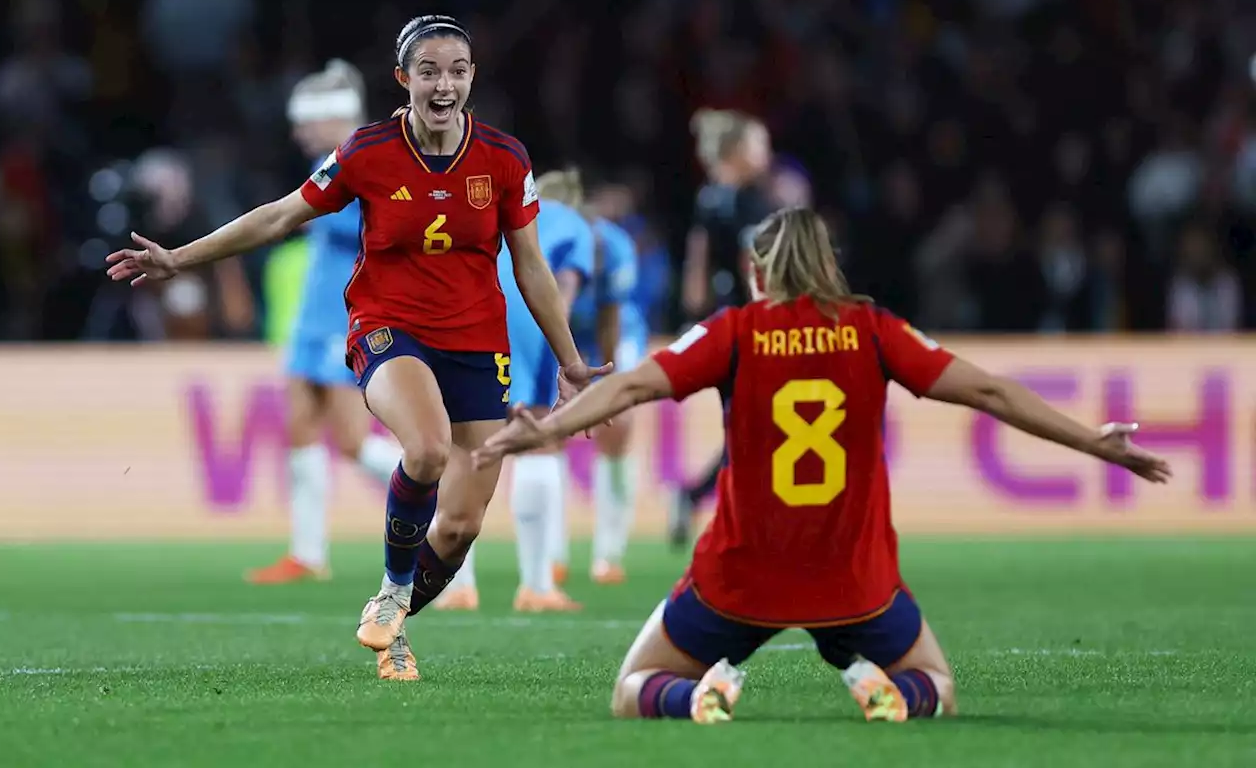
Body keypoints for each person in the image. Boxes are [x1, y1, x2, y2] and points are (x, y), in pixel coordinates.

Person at [472, 208, 1171, 724]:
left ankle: (700, 696)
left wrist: (550, 426)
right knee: (937, 684)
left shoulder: (734, 332)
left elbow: (630, 386)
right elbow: (990, 391)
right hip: (853, 580)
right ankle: (887, 689)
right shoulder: (873, 329)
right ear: (829, 266)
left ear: (756, 271)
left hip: (740, 580)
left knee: (635, 686)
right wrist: (1092, 441)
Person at [107, 15, 606, 683]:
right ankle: (395, 591)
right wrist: (182, 258)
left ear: (472, 78)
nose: (444, 83)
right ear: (403, 79)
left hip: (477, 341)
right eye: (428, 70)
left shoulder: (505, 159)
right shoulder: (366, 153)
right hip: (388, 327)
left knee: (459, 527)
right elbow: (283, 214)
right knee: (426, 449)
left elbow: (532, 268)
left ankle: (392, 617)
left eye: (457, 70)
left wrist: (571, 360)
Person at [246, 60, 404, 584]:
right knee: (300, 429)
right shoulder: (327, 163)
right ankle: (307, 554)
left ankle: (434, 488)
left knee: (354, 441)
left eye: (306, 121)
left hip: (347, 311)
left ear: (334, 119)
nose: (298, 132)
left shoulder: (369, 164)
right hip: (313, 314)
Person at [436, 168, 594, 612]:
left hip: (474, 311)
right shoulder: (574, 225)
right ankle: (537, 585)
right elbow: (561, 289)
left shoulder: (507, 209)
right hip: (527, 316)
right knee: (538, 438)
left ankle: (457, 585)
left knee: (465, 446)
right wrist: (565, 354)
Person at [671, 109, 774, 549]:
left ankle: (699, 497)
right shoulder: (748, 202)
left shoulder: (709, 198)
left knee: (746, 426)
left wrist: (692, 316)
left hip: (720, 326)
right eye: (759, 144)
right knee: (756, 427)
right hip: (752, 328)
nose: (765, 154)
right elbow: (754, 266)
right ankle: (734, 517)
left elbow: (697, 263)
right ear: (737, 152)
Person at [558, 189, 642, 585]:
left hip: (613, 332)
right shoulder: (543, 241)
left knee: (619, 426)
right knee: (545, 431)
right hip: (562, 334)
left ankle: (609, 552)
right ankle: (553, 552)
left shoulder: (617, 247)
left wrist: (611, 384)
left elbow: (613, 316)